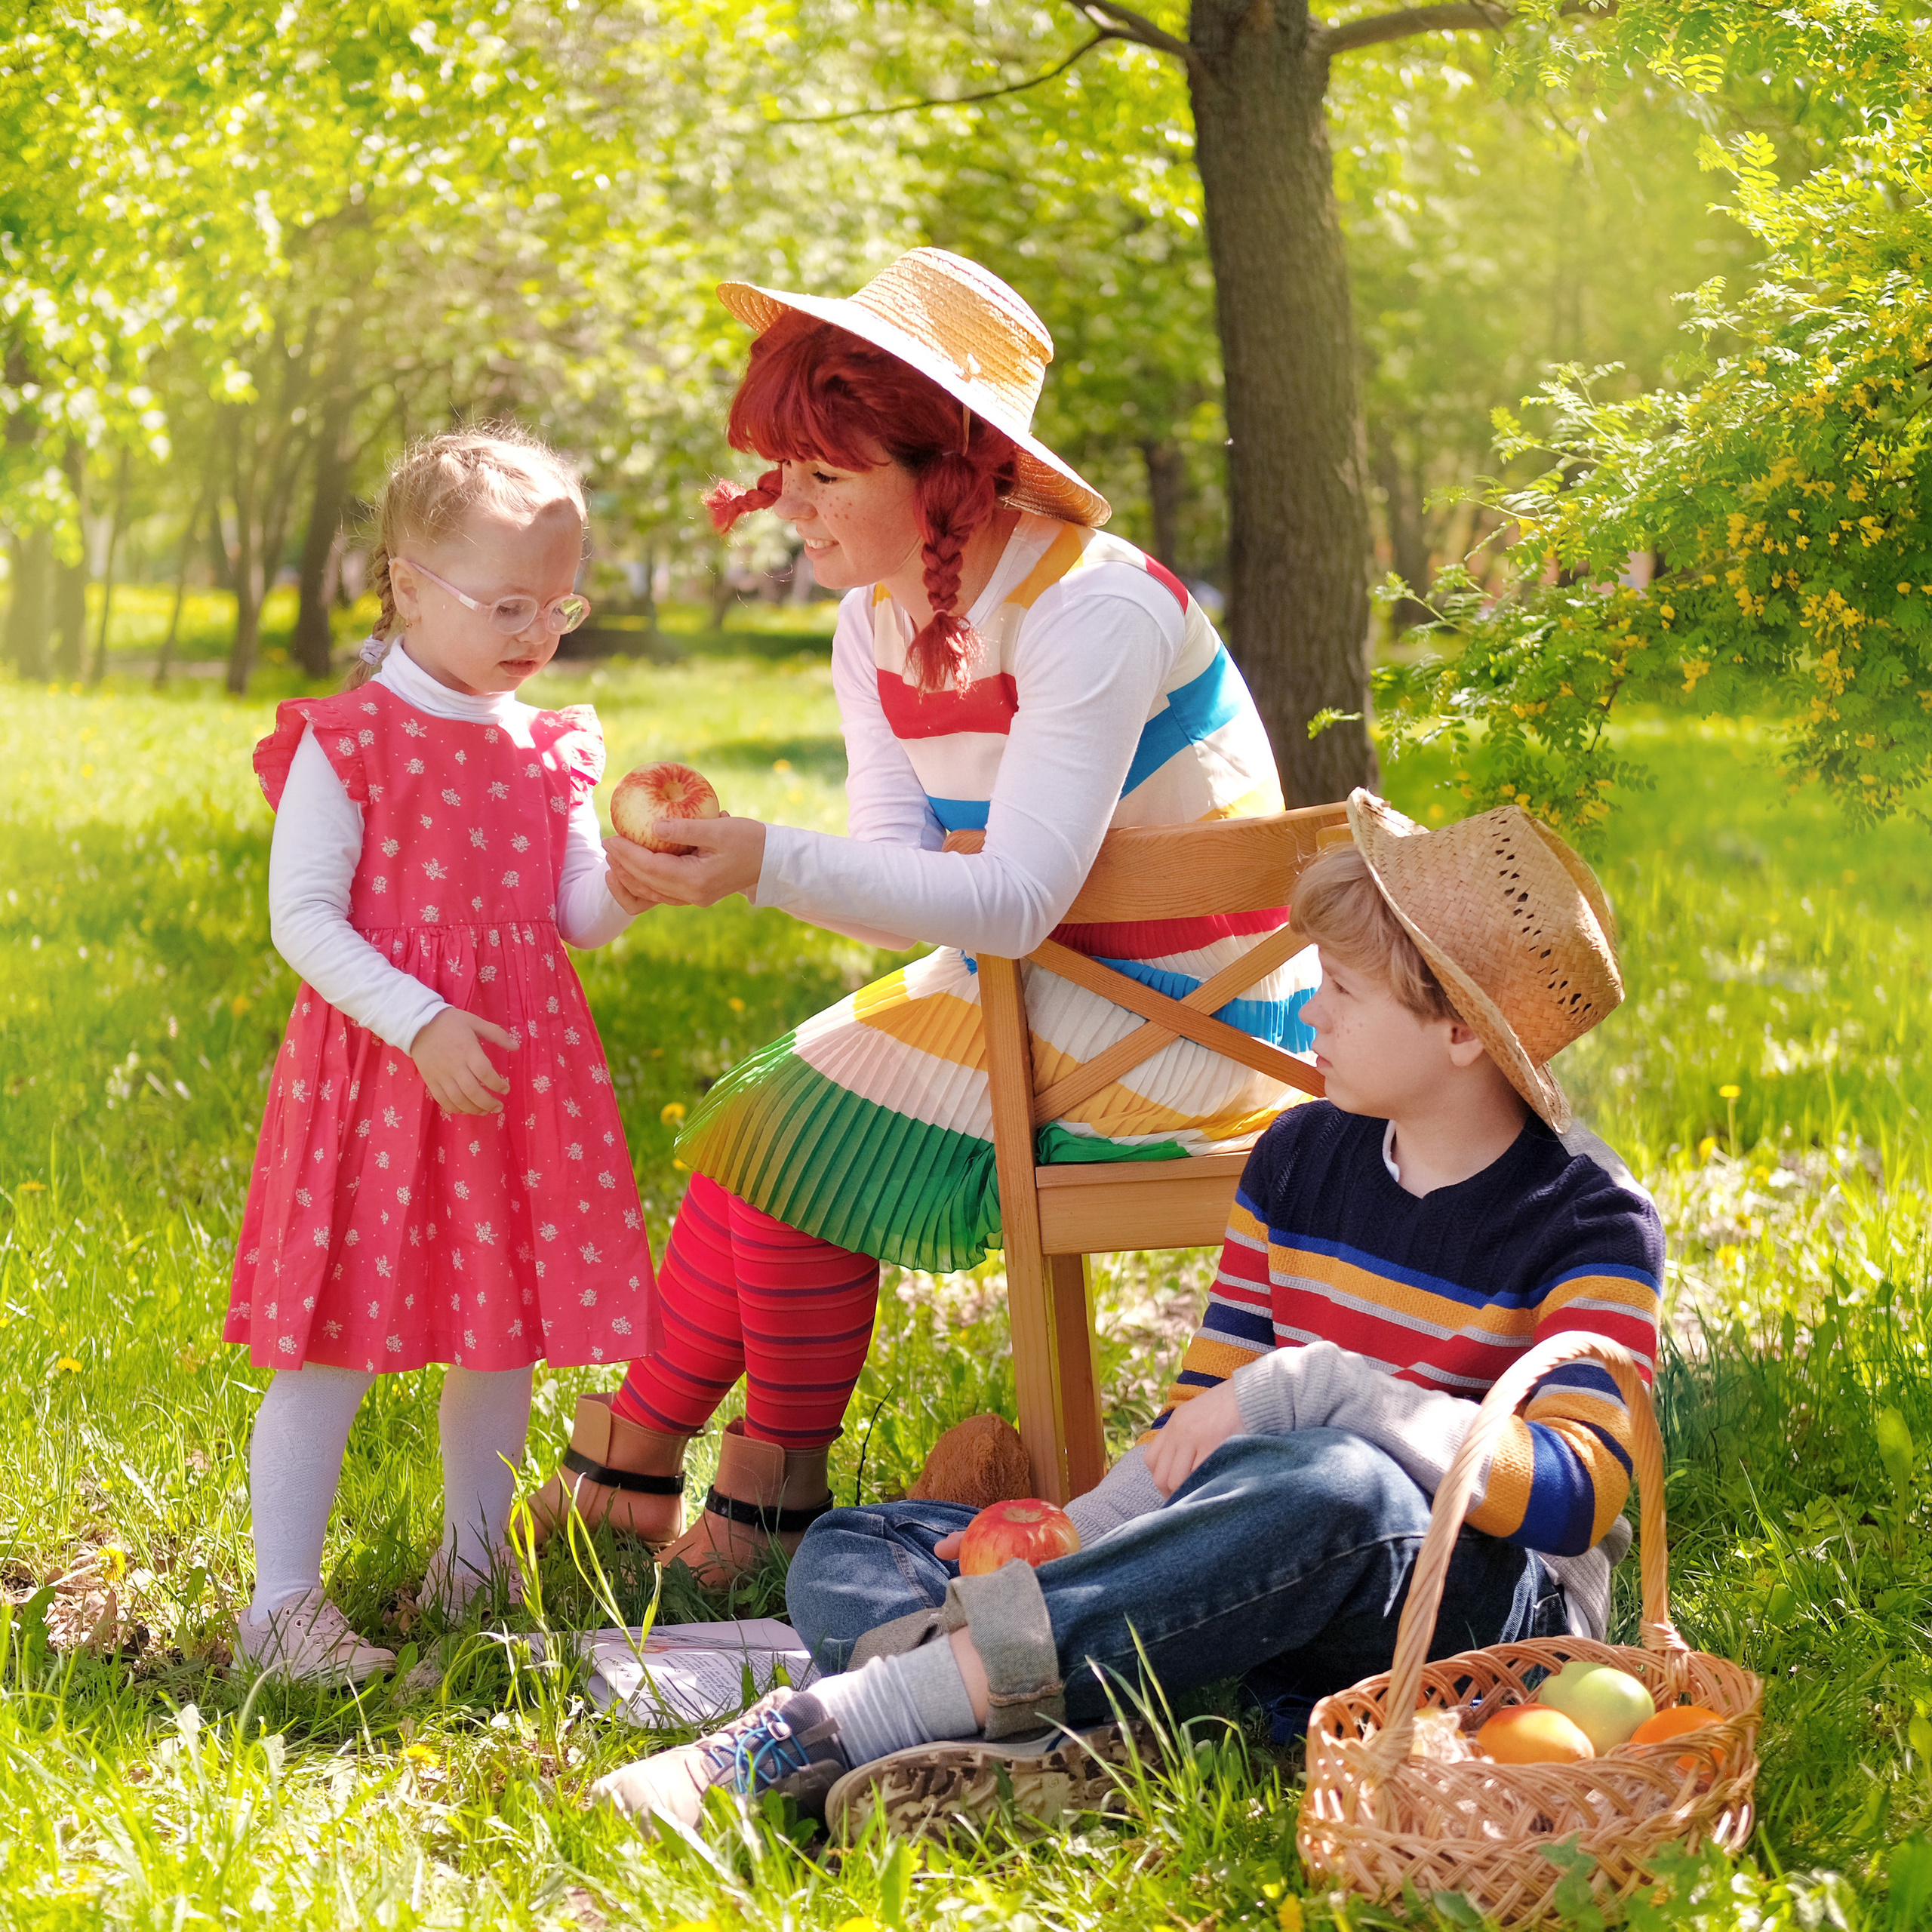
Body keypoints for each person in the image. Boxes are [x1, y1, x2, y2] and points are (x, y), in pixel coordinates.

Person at [589, 790, 1664, 1838]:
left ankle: (846, 1717)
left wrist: (1314, 1389)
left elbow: (1574, 1495)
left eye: (1340, 988)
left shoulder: (1586, 1218)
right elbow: (1194, 1427)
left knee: (1341, 1483)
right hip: (1248, 1578)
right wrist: (1075, 1545)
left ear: (1460, 1032)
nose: (1309, 1013)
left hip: (1473, 1624)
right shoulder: (1298, 1159)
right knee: (854, 1548)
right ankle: (1067, 1716)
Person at [531, 248, 1316, 1578]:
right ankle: (662, 1460)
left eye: (827, 474)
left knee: (781, 1128)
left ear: (947, 477)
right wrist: (732, 861)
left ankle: (728, 1485)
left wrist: (767, 860)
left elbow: (1006, 905)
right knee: (759, 1119)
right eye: (782, 467)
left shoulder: (1093, 608)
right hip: (1045, 988)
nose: (790, 504)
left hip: (1197, 1027)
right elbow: (917, 890)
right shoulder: (877, 625)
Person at [227, 429, 654, 1684]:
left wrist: (636, 879)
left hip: (514, 1075)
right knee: (333, 1335)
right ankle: (282, 1607)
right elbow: (302, 918)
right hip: (382, 1072)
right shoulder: (348, 739)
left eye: (558, 602)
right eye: (505, 602)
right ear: (409, 585)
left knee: (499, 1324)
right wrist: (417, 1016)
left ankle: (477, 1560)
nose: (536, 630)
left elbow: (573, 913)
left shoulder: (553, 746)